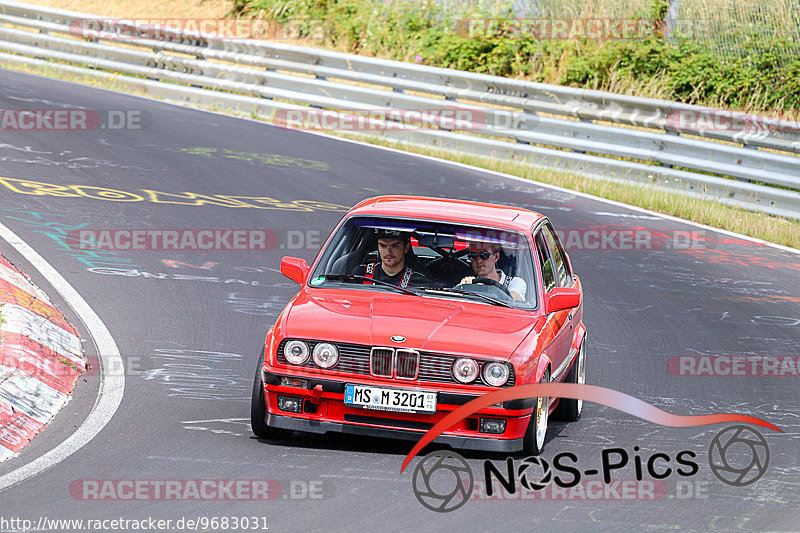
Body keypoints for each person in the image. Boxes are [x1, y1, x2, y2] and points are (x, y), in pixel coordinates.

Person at [352, 229, 427, 288]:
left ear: (406, 248)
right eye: (383, 246)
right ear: (378, 247)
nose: (388, 252)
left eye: (394, 246)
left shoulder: (419, 282)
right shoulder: (360, 274)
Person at [459, 241, 526, 301]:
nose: (478, 261)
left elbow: (514, 301)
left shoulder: (515, 283)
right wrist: (464, 288)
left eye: (484, 255)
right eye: (473, 256)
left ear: (496, 256)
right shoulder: (468, 284)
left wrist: (480, 289)